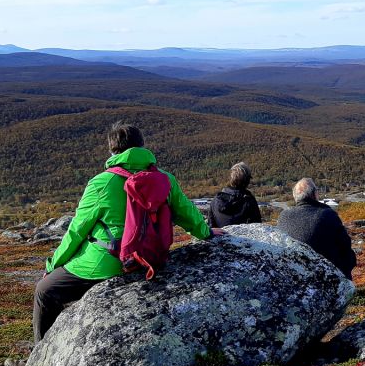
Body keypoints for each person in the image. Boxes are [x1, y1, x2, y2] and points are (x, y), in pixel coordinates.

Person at [33, 122, 223, 342]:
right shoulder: (165, 179)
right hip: (149, 260)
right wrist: (207, 233)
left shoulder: (102, 182)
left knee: (44, 291)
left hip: (107, 265)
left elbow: (76, 231)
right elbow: (187, 214)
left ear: (112, 150)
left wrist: (53, 265)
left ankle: (40, 353)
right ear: (142, 147)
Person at [275, 177, 356, 279]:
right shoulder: (327, 214)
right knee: (348, 255)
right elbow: (345, 244)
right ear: (314, 194)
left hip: (292, 273)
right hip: (324, 274)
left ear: (295, 197)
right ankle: (344, 286)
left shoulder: (283, 216)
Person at [208, 162, 263, 227]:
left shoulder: (215, 200)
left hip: (220, 235)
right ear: (247, 181)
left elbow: (211, 226)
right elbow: (257, 226)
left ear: (231, 178)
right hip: (243, 236)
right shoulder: (249, 201)